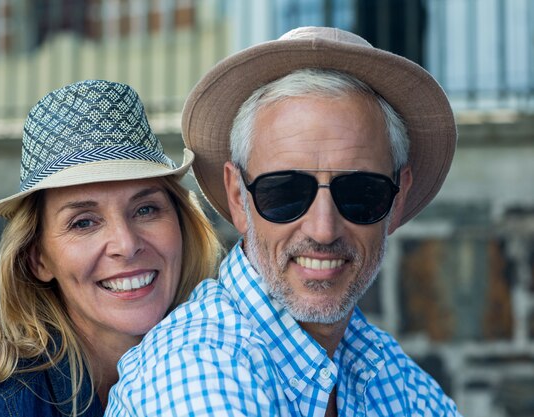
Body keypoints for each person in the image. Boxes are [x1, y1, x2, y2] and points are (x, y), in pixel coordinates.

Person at [106, 27, 462, 416]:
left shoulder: (382, 365)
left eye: (360, 192)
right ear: (239, 196)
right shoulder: (196, 371)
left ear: (399, 199)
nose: (323, 228)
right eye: (286, 192)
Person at [0, 80, 221, 417]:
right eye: (84, 222)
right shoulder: (2, 407)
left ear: (181, 223)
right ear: (37, 259)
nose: (126, 245)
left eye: (145, 210)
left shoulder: (222, 356)